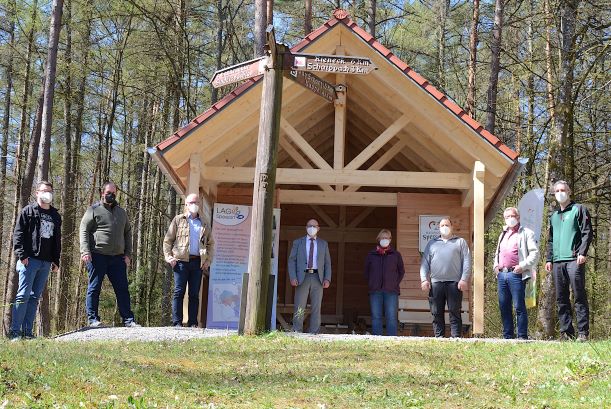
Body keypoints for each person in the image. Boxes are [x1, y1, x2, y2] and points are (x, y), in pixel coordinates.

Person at [79, 182, 139, 327]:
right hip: (97, 255)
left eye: (114, 192)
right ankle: (93, 319)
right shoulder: (93, 210)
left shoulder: (121, 212)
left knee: (123, 289)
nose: (111, 195)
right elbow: (84, 230)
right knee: (94, 287)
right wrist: (85, 251)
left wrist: (128, 254)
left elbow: (128, 233)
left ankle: (128, 320)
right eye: (108, 192)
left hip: (117, 258)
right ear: (102, 193)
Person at [9, 181, 62, 339]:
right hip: (29, 260)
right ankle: (15, 332)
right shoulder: (28, 211)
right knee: (23, 295)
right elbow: (18, 234)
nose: (48, 194)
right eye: (44, 191)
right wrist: (21, 254)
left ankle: (27, 333)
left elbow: (56, 240)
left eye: (50, 191)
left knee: (34, 297)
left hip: (46, 262)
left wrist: (55, 260)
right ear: (37, 192)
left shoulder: (55, 215)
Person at [545, 180, 593, 341]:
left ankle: (582, 332)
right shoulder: (554, 216)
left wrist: (582, 252)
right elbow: (550, 240)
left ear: (569, 191)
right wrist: (549, 259)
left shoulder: (579, 209)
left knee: (579, 295)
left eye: (563, 190)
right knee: (561, 298)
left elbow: (587, 232)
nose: (560, 193)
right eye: (557, 190)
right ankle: (566, 332)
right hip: (558, 261)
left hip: (574, 260)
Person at [163, 193, 214, 328]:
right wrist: (169, 257)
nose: (194, 205)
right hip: (180, 262)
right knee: (179, 291)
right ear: (186, 204)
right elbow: (168, 241)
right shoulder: (178, 220)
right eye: (191, 202)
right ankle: (177, 322)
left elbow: (211, 244)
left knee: (194, 294)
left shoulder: (204, 223)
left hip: (197, 262)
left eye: (197, 202)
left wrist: (208, 260)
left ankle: (193, 323)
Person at [493, 207, 539, 340]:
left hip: (516, 274)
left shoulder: (526, 233)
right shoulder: (502, 234)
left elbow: (534, 253)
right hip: (502, 275)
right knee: (504, 306)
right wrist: (495, 266)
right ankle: (507, 336)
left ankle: (522, 336)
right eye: (506, 217)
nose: (509, 219)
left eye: (512, 216)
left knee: (519, 306)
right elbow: (497, 253)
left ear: (518, 217)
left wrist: (523, 266)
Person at [420, 218, 471, 338]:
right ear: (439, 228)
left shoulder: (460, 242)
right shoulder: (432, 243)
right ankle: (439, 338)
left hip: (454, 283)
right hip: (436, 283)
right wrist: (424, 279)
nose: (444, 227)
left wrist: (464, 279)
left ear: (452, 226)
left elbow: (467, 261)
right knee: (436, 313)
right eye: (442, 225)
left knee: (455, 312)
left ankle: (456, 338)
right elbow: (425, 263)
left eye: (446, 224)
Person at [288, 219, 332, 334]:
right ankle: (297, 330)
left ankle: (314, 331)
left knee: (316, 307)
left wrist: (327, 278)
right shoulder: (298, 242)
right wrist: (293, 277)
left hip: (318, 277)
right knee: (299, 305)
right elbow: (292, 261)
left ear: (318, 228)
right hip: (302, 277)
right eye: (309, 226)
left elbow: (327, 263)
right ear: (306, 227)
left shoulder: (323, 244)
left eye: (314, 226)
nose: (312, 228)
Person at [363, 229, 405, 336]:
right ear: (378, 239)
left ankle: (392, 339)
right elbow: (366, 272)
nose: (384, 240)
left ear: (390, 240)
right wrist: (372, 283)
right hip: (375, 290)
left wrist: (395, 283)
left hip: (391, 291)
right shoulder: (371, 255)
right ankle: (377, 339)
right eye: (382, 238)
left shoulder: (396, 255)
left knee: (391, 316)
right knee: (376, 316)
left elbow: (401, 271)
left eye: (387, 238)